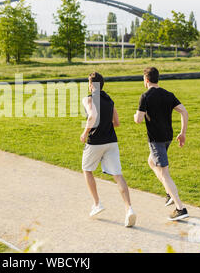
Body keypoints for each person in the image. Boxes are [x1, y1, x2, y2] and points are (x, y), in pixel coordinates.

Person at [80, 72, 136, 227]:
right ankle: (129, 209)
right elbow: (116, 122)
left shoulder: (88, 98)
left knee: (87, 170)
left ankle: (97, 203)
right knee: (118, 176)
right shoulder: (110, 100)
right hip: (111, 141)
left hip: (95, 142)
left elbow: (91, 116)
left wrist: (85, 133)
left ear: (91, 85)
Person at [134, 67, 189, 221]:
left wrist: (135, 116)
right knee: (151, 161)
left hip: (156, 139)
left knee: (164, 173)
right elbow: (184, 112)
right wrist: (182, 133)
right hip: (168, 137)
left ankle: (180, 208)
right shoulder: (168, 95)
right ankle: (169, 193)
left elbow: (138, 119)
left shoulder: (145, 96)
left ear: (146, 80)